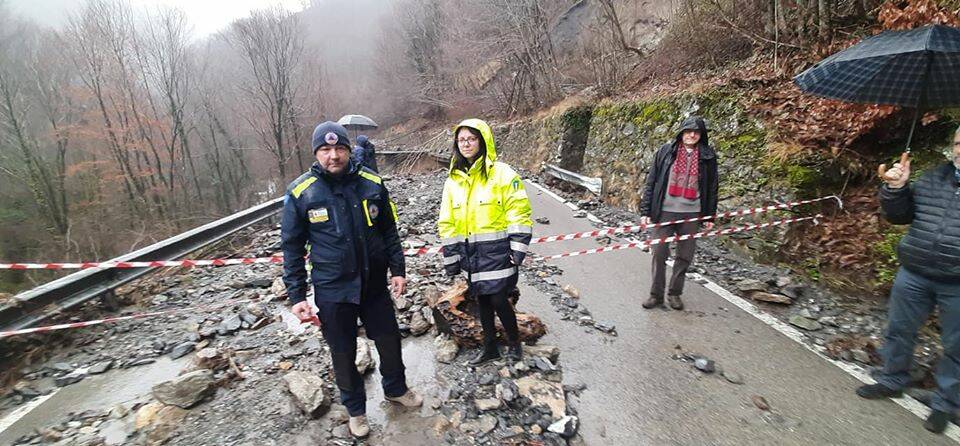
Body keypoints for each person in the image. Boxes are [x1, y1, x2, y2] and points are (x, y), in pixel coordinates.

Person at [281, 121, 421, 438]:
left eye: (339, 148)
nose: (334, 156)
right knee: (342, 354)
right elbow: (291, 248)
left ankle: (396, 389)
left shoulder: (371, 182)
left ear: (348, 150)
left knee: (389, 341)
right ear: (316, 153)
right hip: (333, 291)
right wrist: (297, 296)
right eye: (326, 150)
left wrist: (398, 270)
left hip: (373, 286)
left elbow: (389, 230)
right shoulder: (301, 192)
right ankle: (356, 412)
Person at [856, 126, 960, 434]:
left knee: (956, 345)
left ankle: (944, 403)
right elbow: (900, 216)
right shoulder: (932, 178)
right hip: (914, 272)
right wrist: (897, 189)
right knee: (899, 330)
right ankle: (891, 380)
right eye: (957, 142)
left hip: (957, 281)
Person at [438, 118, 533, 365]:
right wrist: (452, 257)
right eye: (461, 140)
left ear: (482, 140)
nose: (466, 144)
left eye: (471, 139)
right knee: (481, 300)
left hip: (499, 252)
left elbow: (518, 211)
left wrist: (518, 248)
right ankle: (490, 346)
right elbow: (447, 220)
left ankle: (514, 344)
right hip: (472, 253)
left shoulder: (502, 174)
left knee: (499, 299)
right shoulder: (453, 181)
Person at [638, 116, 718, 311]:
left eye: (696, 132)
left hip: (692, 214)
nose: (692, 135)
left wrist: (709, 216)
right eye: (688, 130)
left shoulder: (707, 156)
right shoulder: (666, 152)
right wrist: (645, 210)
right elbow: (652, 181)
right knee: (659, 253)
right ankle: (656, 295)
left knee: (685, 256)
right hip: (664, 211)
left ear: (701, 135)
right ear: (681, 132)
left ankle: (675, 293)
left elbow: (712, 187)